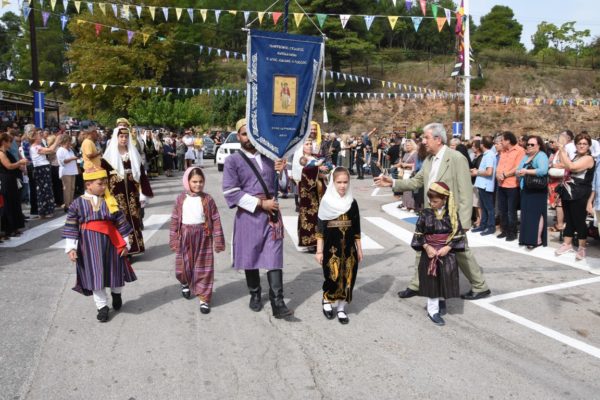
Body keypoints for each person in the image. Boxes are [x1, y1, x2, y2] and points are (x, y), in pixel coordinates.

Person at [375, 123, 490, 300]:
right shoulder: (429, 159)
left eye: (426, 137)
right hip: (430, 214)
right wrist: (393, 182)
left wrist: (465, 221)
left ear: (438, 139)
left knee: (460, 251)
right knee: (422, 248)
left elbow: (466, 191)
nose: (423, 141)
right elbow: (416, 181)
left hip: (450, 216)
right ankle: (416, 284)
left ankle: (480, 286)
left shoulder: (456, 158)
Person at [222, 118, 293, 319]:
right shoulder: (232, 161)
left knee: (274, 257)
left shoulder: (270, 157)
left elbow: (283, 187)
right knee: (250, 256)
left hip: (272, 216)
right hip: (249, 215)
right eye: (244, 134)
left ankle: (278, 302)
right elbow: (230, 192)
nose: (248, 138)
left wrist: (281, 171)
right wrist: (261, 204)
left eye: (251, 134)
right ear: (238, 136)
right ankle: (255, 293)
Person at [63, 167, 136, 323]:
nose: (104, 187)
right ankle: (102, 307)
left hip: (111, 243)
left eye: (105, 184)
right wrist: (71, 248)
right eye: (100, 184)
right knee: (95, 274)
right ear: (88, 185)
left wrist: (126, 244)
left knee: (114, 271)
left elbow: (121, 223)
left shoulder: (111, 202)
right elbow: (71, 226)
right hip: (89, 246)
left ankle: (116, 294)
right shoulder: (77, 204)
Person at [169, 167, 225, 314]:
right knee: (183, 266)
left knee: (204, 267)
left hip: (204, 236)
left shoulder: (208, 199)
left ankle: (204, 298)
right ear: (187, 181)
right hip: (185, 236)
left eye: (200, 181)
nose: (198, 184)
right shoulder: (181, 199)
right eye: (194, 181)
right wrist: (173, 238)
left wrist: (218, 239)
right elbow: (174, 220)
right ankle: (185, 282)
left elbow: (216, 219)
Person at [410, 182, 465, 326]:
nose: (431, 203)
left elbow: (459, 234)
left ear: (444, 199)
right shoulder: (425, 213)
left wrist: (449, 247)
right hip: (430, 252)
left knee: (445, 278)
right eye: (430, 201)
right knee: (432, 281)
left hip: (446, 252)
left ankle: (441, 301)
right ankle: (432, 310)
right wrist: (426, 246)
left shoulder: (452, 214)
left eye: (435, 201)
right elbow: (418, 233)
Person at [315, 167, 363, 324]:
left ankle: (341, 308)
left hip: (349, 249)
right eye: (339, 182)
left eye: (345, 182)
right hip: (331, 249)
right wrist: (319, 251)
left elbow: (356, 228)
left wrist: (359, 249)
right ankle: (327, 300)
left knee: (349, 277)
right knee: (332, 276)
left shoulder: (352, 203)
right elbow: (320, 229)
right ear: (333, 182)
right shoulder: (326, 202)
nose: (342, 186)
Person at [102, 127, 154, 255]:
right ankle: (121, 249)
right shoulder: (108, 156)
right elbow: (103, 176)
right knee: (120, 219)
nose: (124, 139)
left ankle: (135, 247)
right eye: (121, 136)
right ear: (116, 138)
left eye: (126, 137)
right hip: (116, 193)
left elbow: (141, 174)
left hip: (132, 192)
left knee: (134, 218)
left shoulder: (133, 153)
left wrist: (144, 192)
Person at [555, 133, 595, 260]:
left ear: (589, 146)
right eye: (579, 143)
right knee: (569, 219)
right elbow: (564, 164)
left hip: (581, 193)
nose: (582, 146)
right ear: (575, 145)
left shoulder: (589, 158)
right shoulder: (576, 156)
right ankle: (567, 244)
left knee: (579, 220)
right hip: (568, 191)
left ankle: (582, 247)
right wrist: (562, 155)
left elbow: (572, 167)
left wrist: (562, 150)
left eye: (584, 144)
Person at [293, 138, 328, 251]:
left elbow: (318, 170)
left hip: (319, 190)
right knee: (310, 216)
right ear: (302, 147)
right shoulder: (301, 159)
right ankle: (311, 242)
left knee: (320, 215)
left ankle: (320, 240)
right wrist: (318, 169)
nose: (309, 146)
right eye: (307, 144)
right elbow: (305, 172)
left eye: (310, 144)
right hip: (308, 192)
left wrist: (324, 171)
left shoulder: (315, 158)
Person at [516, 136, 549, 249]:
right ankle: (526, 239)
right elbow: (518, 169)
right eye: (528, 144)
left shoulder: (541, 155)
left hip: (537, 190)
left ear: (539, 145)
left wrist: (526, 171)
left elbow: (543, 170)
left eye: (532, 144)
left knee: (536, 215)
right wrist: (519, 172)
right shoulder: (526, 156)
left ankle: (537, 239)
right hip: (526, 189)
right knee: (526, 215)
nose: (529, 146)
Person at [495, 132, 525, 241]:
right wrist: (498, 174)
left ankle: (512, 232)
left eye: (502, 140)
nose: (501, 142)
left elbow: (518, 167)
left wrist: (504, 175)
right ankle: (505, 230)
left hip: (512, 185)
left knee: (511, 211)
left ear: (508, 140)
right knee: (502, 210)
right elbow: (499, 165)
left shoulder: (520, 151)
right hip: (501, 184)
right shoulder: (503, 151)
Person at [0, 132, 28, 238]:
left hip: (12, 179)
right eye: (9, 141)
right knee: (8, 204)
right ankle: (8, 229)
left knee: (15, 202)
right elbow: (9, 166)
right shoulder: (1, 153)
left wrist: (20, 166)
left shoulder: (7, 152)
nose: (11, 144)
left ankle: (15, 227)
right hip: (6, 180)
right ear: (3, 142)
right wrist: (20, 163)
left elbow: (14, 164)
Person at [30, 129, 61, 218]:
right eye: (39, 136)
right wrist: (57, 141)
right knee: (44, 190)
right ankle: (45, 211)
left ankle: (45, 211)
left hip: (43, 168)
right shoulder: (35, 147)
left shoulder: (37, 146)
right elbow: (50, 150)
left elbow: (50, 150)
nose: (40, 137)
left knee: (45, 190)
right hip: (41, 169)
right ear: (35, 138)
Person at [471, 136, 497, 236]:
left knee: (489, 207)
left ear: (482, 145)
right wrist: (477, 171)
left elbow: (489, 172)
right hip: (482, 185)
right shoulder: (487, 154)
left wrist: (477, 172)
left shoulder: (489, 155)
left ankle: (491, 227)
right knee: (483, 207)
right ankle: (483, 225)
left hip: (486, 185)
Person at [56, 134, 79, 211]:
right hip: (65, 172)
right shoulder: (60, 150)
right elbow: (63, 161)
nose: (69, 143)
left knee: (72, 188)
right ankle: (67, 205)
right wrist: (72, 158)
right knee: (67, 189)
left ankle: (71, 203)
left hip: (72, 170)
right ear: (64, 141)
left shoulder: (70, 149)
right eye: (68, 142)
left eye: (70, 141)